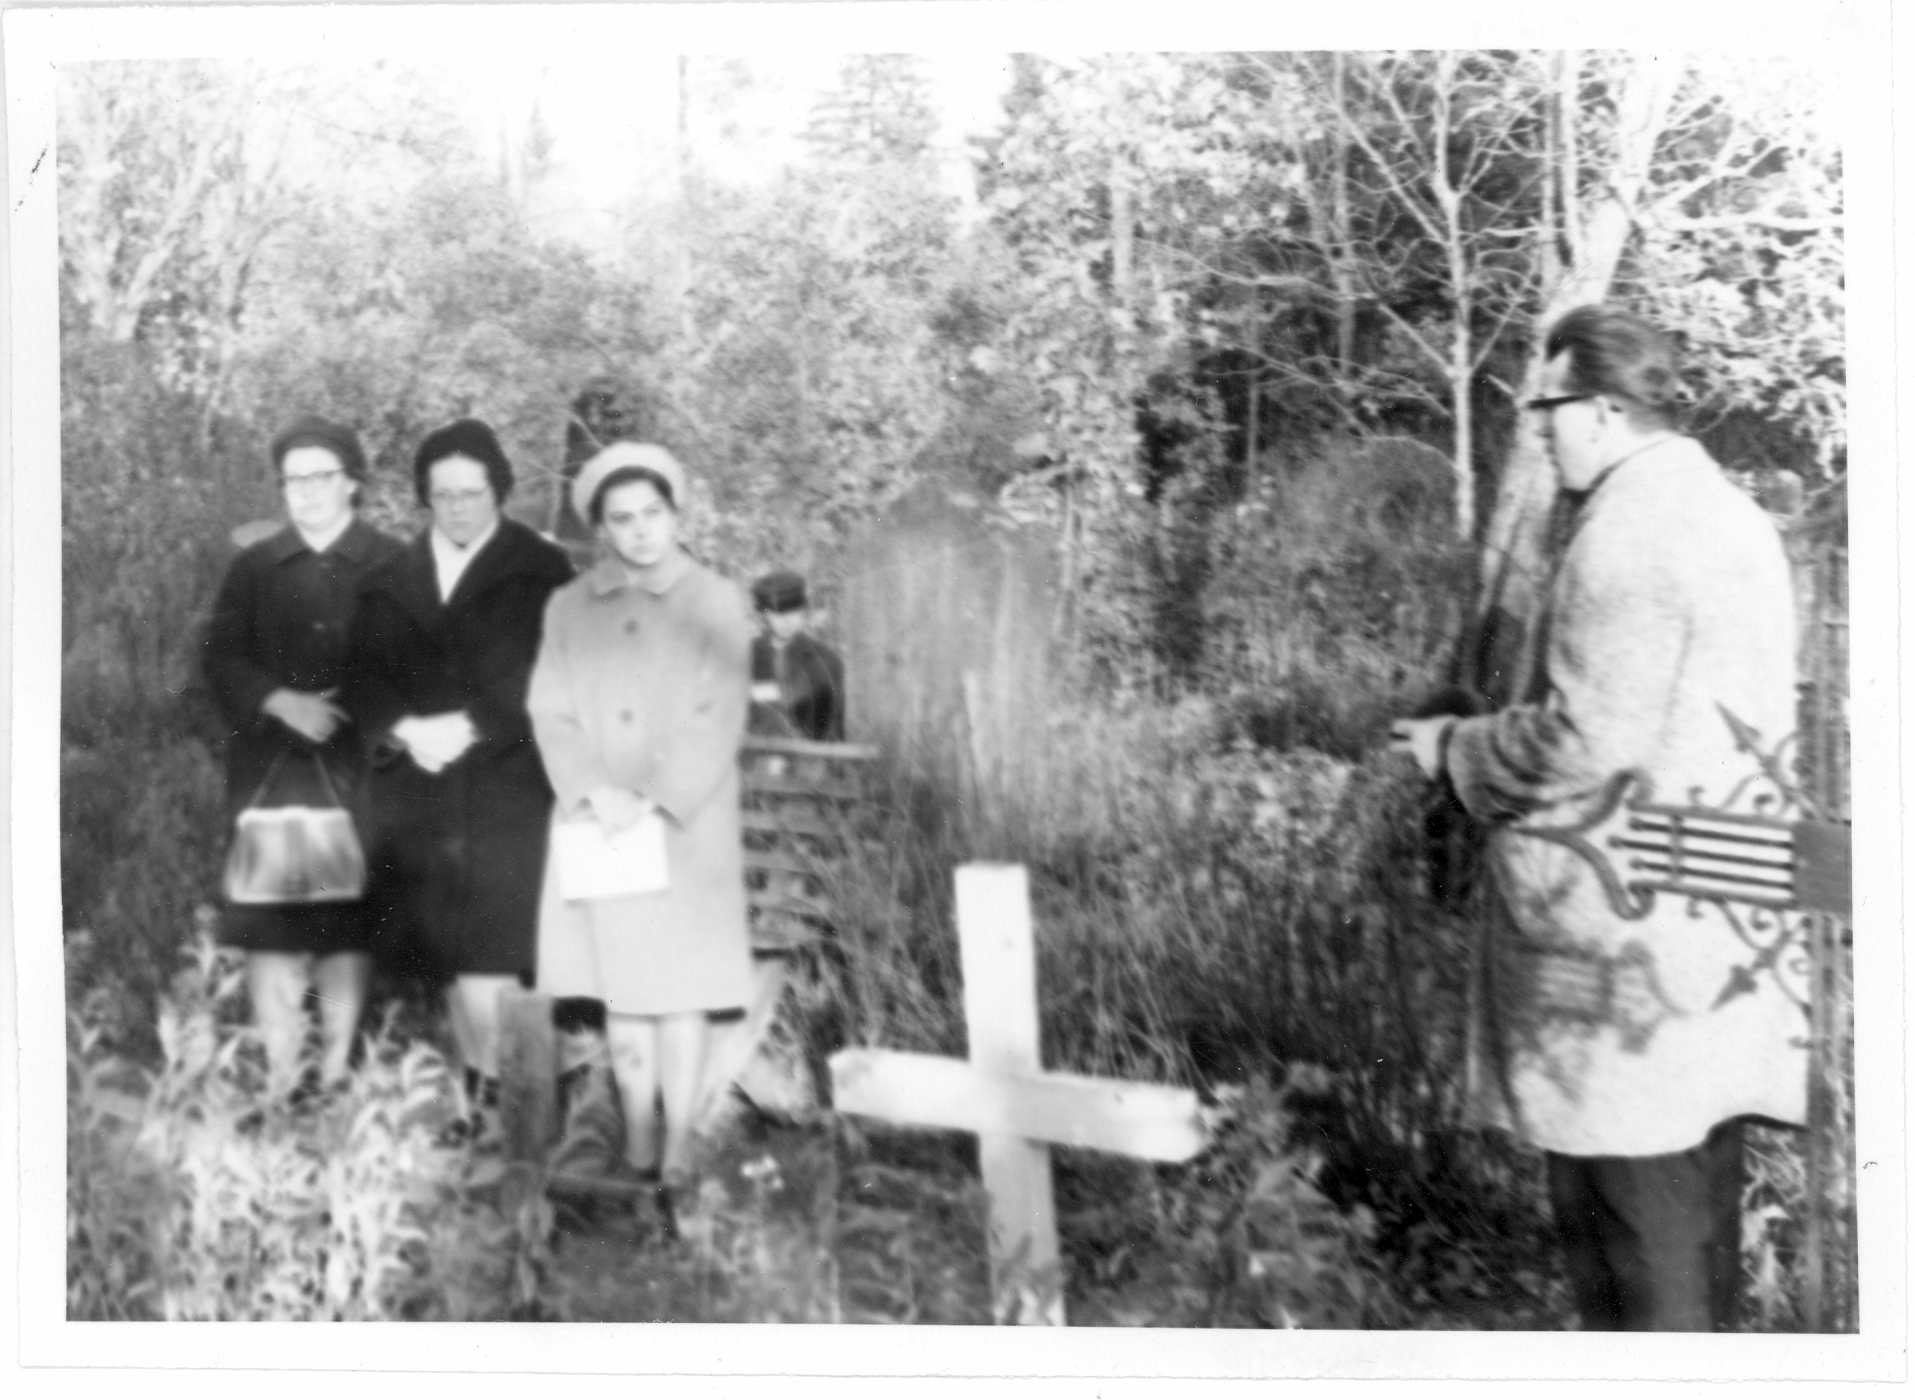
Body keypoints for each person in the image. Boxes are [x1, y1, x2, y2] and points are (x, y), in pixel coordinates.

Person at [1390, 305, 1802, 1331]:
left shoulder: (1624, 536)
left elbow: (1581, 741)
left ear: (1607, 409)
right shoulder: (1732, 517)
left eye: (1551, 407)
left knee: (1631, 1250)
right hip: (1711, 940)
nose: (1539, 427)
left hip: (1613, 968)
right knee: (1692, 1221)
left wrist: (1455, 750)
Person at [528, 441, 755, 1200]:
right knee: (622, 985)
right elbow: (549, 708)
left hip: (683, 827)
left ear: (674, 514)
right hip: (603, 827)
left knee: (678, 989)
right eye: (621, 520)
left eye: (652, 514)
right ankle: (638, 1135)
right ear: (601, 528)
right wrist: (595, 790)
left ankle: (684, 1142)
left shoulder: (715, 601)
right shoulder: (568, 607)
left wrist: (655, 795)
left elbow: (718, 712)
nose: (639, 532)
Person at [342, 418, 574, 1138]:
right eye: (442, 494)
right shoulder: (389, 580)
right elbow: (360, 676)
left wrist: (473, 724)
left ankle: (515, 1108)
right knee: (446, 955)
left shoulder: (540, 569)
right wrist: (407, 730)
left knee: (493, 955)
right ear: (425, 498)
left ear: (498, 490)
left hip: (505, 782)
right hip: (418, 787)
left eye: (471, 492)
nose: (458, 507)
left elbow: (552, 671)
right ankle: (477, 1103)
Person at [203, 416, 404, 1099]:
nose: (308, 492)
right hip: (271, 771)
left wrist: (366, 715)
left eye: (322, 477)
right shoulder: (253, 567)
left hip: (360, 772)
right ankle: (285, 1082)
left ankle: (337, 1072)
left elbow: (423, 666)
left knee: (347, 924)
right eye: (294, 480)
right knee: (273, 927)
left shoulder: (393, 563)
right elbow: (218, 655)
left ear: (351, 482)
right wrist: (280, 701)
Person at [748, 569, 846, 741]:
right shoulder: (747, 657)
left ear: (804, 610)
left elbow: (832, 729)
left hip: (809, 756)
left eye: (794, 611)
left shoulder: (826, 660)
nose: (788, 620)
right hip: (756, 756)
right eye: (779, 613)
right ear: (764, 613)